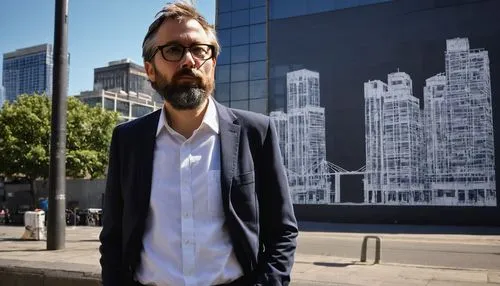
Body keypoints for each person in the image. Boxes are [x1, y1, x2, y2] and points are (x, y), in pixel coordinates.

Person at [99, 2, 298, 286]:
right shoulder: (127, 140)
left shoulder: (256, 132)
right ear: (150, 70)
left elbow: (282, 232)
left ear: (213, 64)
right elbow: (113, 238)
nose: (189, 61)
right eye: (173, 50)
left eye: (199, 50)